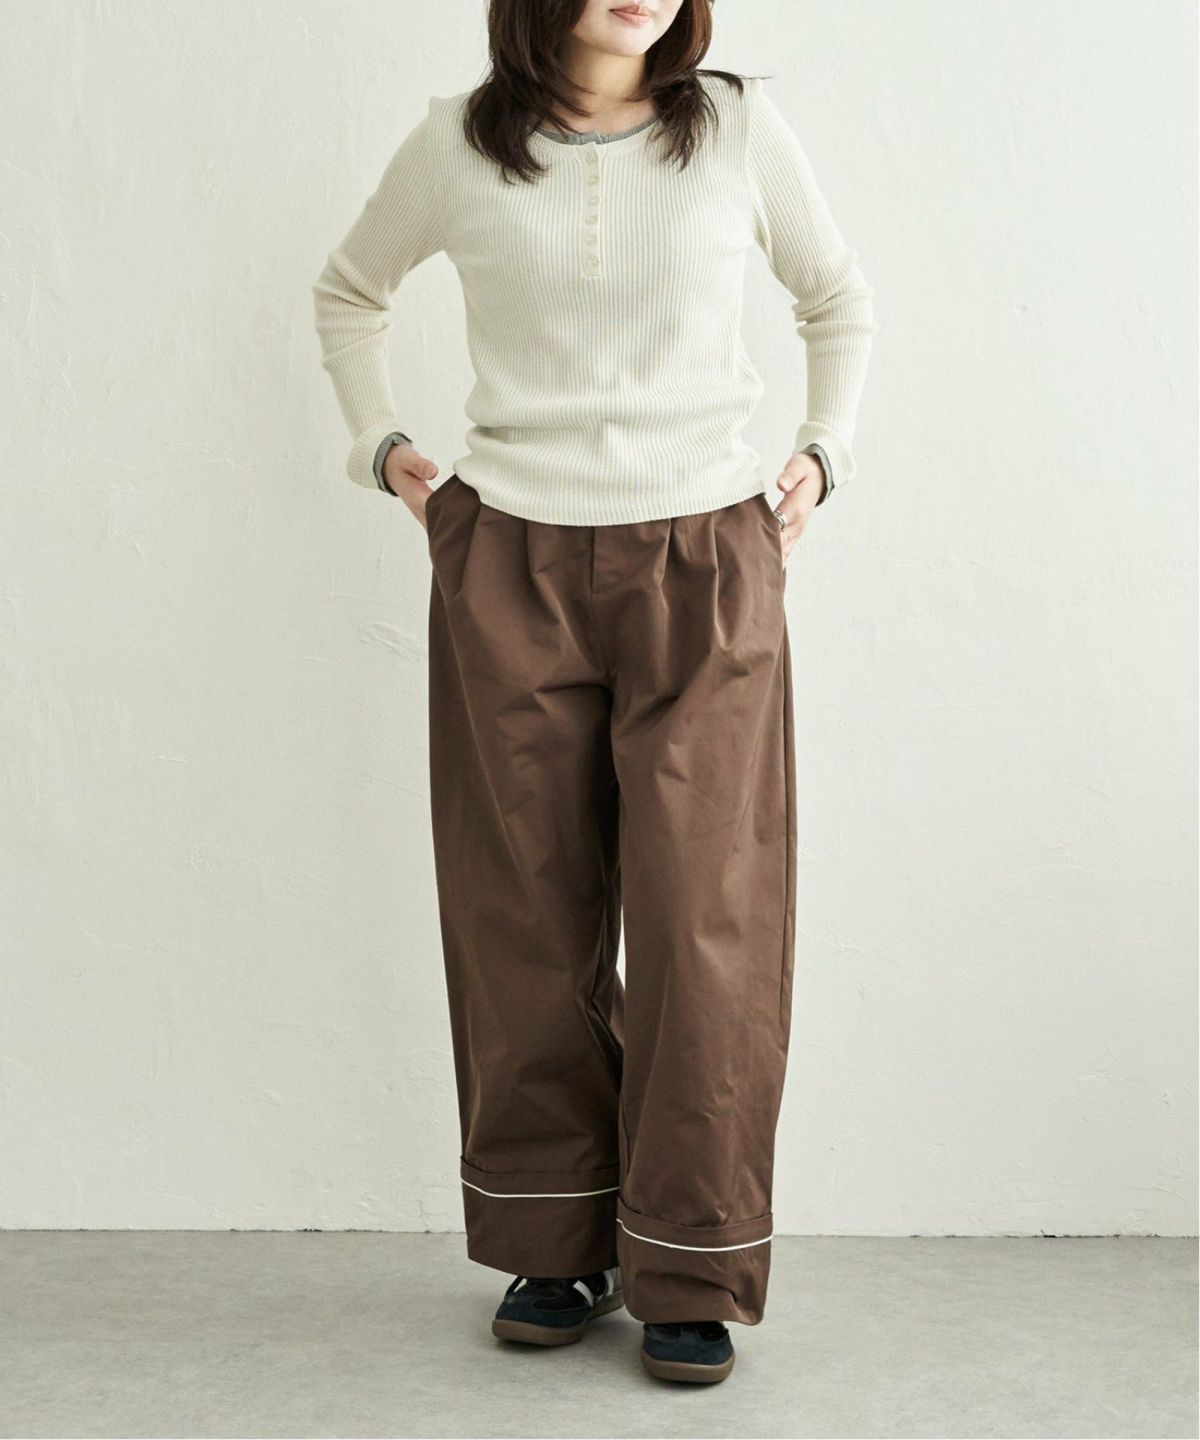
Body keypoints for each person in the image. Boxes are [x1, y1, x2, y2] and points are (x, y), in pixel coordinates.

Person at [311, 0, 876, 1386]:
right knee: (524, 911)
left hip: (707, 558)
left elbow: (836, 297)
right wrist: (384, 450)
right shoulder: (458, 143)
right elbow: (348, 291)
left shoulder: (734, 126)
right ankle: (553, 1241)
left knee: (706, 920)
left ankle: (689, 1259)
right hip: (510, 552)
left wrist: (822, 453)